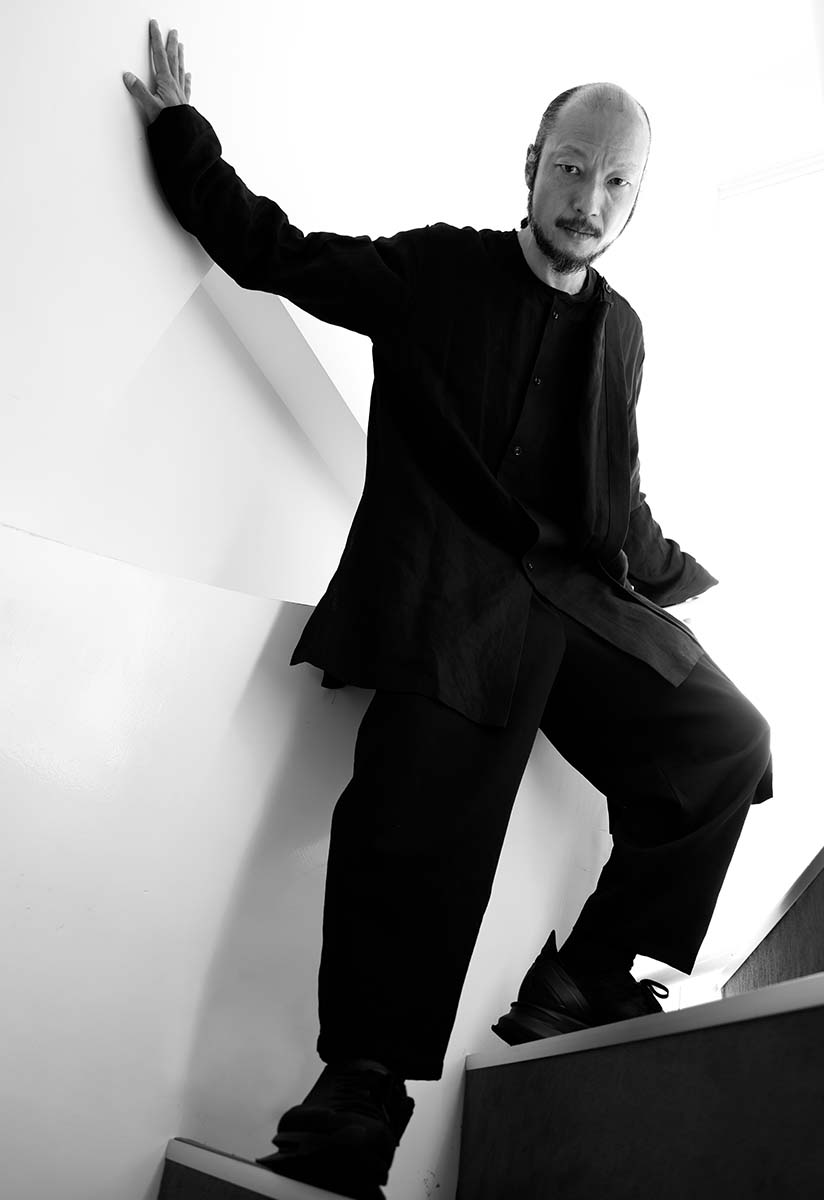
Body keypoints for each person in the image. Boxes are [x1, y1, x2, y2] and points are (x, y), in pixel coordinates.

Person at [124, 19, 774, 1200]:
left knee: (725, 737)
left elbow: (614, 498)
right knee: (419, 813)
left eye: (612, 182)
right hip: (451, 590)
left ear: (633, 200)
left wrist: (678, 571)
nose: (586, 199)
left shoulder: (622, 333)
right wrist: (183, 133)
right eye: (569, 167)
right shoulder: (434, 272)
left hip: (573, 599)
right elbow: (277, 253)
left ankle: (583, 978)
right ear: (529, 164)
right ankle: (356, 1103)